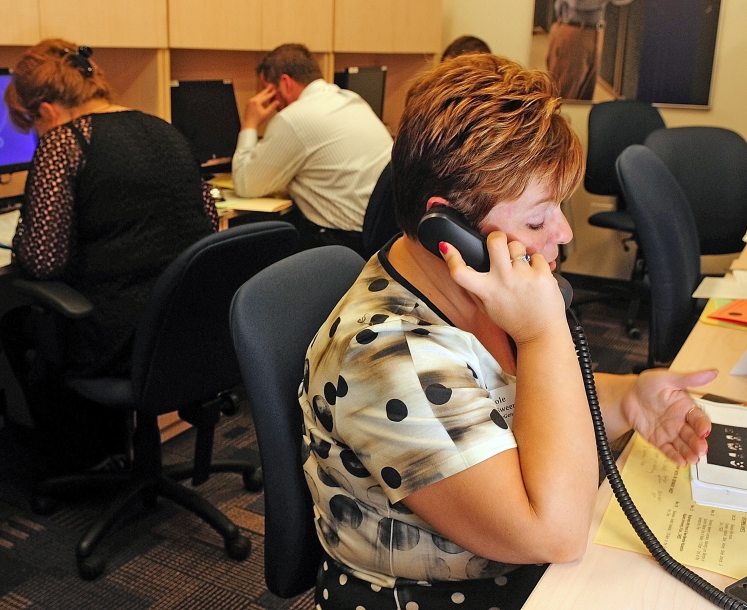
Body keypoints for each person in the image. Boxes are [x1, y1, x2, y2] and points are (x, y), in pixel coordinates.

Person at [300, 53, 716, 609]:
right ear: (446, 229)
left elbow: (521, 408)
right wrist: (545, 336)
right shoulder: (391, 358)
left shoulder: (470, 290)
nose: (563, 234)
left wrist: (630, 400)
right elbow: (555, 533)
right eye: (539, 220)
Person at [0, 39, 218, 472]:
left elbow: (42, 261)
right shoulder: (163, 129)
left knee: (16, 326)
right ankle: (105, 449)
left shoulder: (64, 142)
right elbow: (209, 226)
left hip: (121, 341)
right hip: (187, 331)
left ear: (45, 111)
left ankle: (78, 461)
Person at [231, 43, 392, 251]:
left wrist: (249, 124)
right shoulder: (351, 99)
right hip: (383, 236)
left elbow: (245, 185)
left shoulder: (294, 118)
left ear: (286, 83)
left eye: (270, 91)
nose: (274, 104)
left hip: (343, 241)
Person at [546, 0, 634, 100]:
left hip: (595, 32)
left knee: (585, 99)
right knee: (564, 97)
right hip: (573, 31)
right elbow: (578, 3)